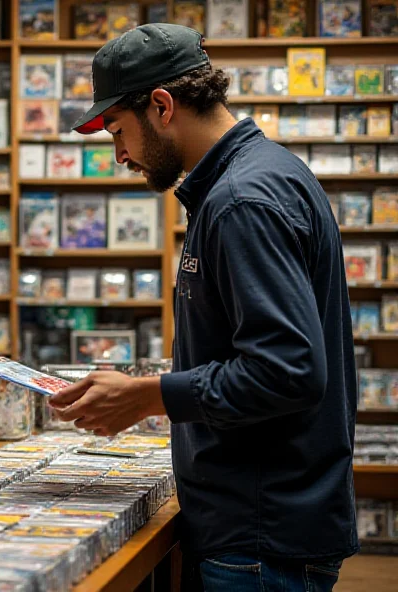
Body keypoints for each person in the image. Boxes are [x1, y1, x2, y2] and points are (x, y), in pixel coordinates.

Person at [49, 24, 358, 591]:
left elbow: (287, 370)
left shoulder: (243, 200)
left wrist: (147, 396)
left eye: (118, 131)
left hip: (261, 537)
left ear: (162, 106)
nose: (118, 155)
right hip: (260, 524)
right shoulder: (255, 178)